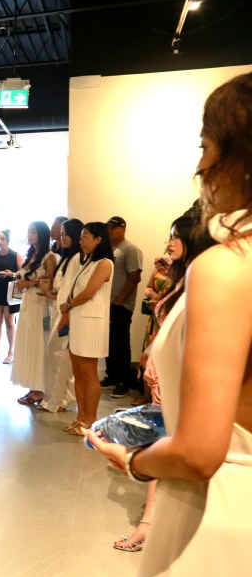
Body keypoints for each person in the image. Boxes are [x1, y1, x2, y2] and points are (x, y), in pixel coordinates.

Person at [87, 72, 252, 577]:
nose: (199, 169)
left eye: (206, 147)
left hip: (216, 510)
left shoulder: (227, 268)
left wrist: (132, 459)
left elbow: (199, 452)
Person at [110, 213, 212, 554]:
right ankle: (154, 521)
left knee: (165, 443)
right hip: (163, 372)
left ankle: (150, 524)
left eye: (177, 236)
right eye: (170, 236)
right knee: (161, 441)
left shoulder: (203, 281)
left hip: (180, 377)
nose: (170, 243)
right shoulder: (182, 276)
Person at [59, 222, 114, 434]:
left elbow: (89, 293)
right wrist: (67, 310)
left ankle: (90, 419)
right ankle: (80, 416)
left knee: (89, 373)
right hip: (79, 321)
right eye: (81, 236)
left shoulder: (105, 263)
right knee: (78, 373)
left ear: (98, 239)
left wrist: (68, 306)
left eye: (85, 236)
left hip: (91, 324)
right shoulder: (89, 262)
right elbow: (76, 290)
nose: (81, 241)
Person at [37, 218, 83, 413]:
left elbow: (73, 291)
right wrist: (50, 294)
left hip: (66, 312)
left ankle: (56, 401)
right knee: (58, 355)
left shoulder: (77, 259)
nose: (62, 237)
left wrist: (64, 311)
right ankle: (61, 399)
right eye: (61, 234)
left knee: (59, 355)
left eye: (66, 234)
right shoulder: (66, 257)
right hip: (59, 309)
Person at [11, 222, 58, 406]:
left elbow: (52, 282)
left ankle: (40, 389)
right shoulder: (32, 254)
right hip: (28, 303)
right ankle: (33, 385)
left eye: (34, 232)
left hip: (40, 304)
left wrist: (29, 283)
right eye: (28, 231)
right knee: (29, 343)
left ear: (42, 234)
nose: (30, 235)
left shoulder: (49, 256)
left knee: (39, 344)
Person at [104, 216, 144, 399]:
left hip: (121, 305)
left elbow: (135, 277)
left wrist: (120, 300)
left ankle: (123, 382)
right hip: (107, 304)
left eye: (113, 227)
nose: (110, 231)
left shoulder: (130, 249)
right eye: (108, 228)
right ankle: (112, 376)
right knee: (108, 341)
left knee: (120, 342)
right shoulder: (110, 249)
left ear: (123, 228)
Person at [0, 229, 23, 364]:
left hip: (10, 292)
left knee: (9, 321)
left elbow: (23, 274)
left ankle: (11, 352)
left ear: (8, 240)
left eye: (2, 239)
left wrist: (11, 274)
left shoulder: (16, 255)